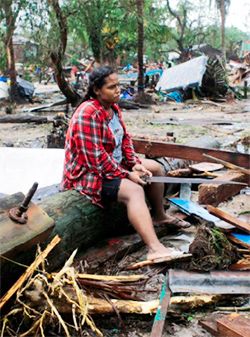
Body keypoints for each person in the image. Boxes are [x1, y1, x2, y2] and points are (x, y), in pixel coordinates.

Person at [61, 66, 190, 261]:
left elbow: (125, 140)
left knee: (155, 168)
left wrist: (135, 164)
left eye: (118, 85)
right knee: (134, 191)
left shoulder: (112, 108)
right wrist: (128, 174)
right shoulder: (87, 114)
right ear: (97, 90)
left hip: (113, 164)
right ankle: (155, 249)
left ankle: (159, 215)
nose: (118, 90)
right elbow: (96, 160)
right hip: (88, 173)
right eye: (112, 87)